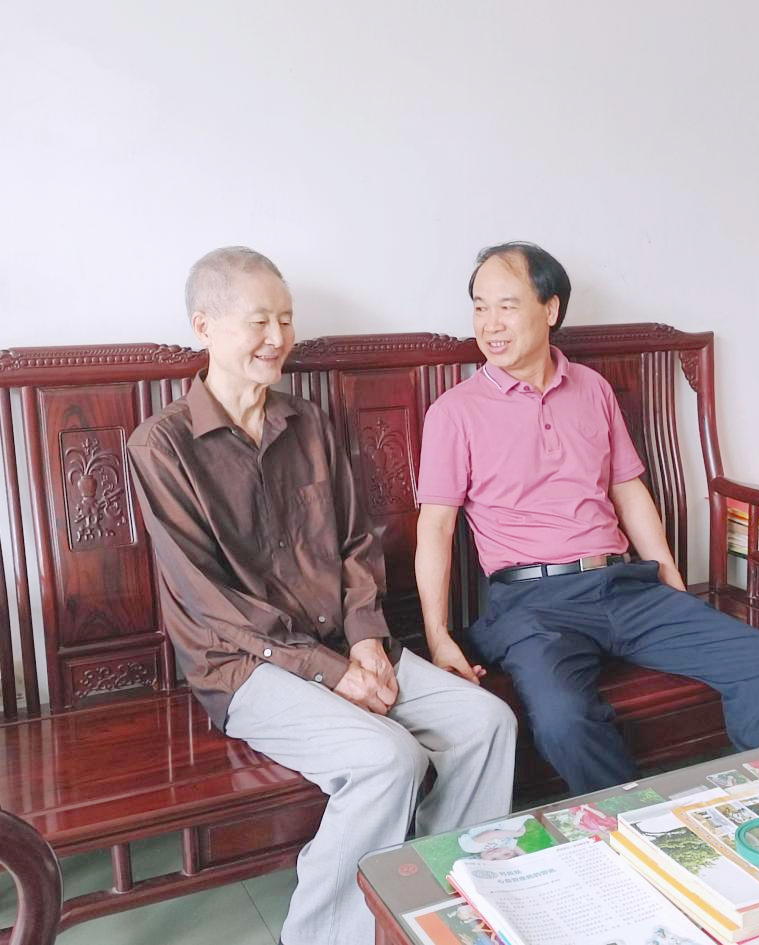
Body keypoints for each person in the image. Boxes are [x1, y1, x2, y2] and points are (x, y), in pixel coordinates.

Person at [128, 246, 517, 945]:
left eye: (285, 319)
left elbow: (357, 543)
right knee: (388, 758)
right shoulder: (161, 446)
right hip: (244, 668)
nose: (277, 337)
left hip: (345, 643)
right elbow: (211, 601)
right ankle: (321, 933)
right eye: (259, 321)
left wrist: (365, 639)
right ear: (204, 325)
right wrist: (332, 671)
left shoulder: (307, 422)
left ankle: (431, 901)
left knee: (487, 722)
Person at [415, 241, 759, 794]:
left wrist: (670, 580)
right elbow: (435, 528)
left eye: (506, 306)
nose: (490, 324)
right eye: (480, 307)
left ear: (550, 309)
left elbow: (628, 490)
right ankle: (637, 824)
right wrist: (438, 636)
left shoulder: (591, 388)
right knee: (563, 719)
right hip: (533, 605)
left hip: (624, 587)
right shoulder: (455, 412)